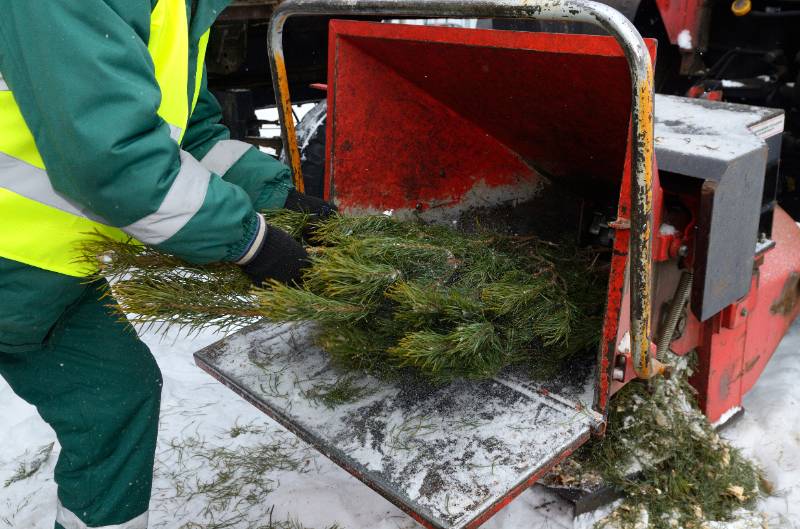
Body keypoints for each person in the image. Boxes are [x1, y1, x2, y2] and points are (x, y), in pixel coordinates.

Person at [0, 1, 334, 527]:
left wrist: (279, 199)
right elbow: (111, 161)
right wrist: (253, 243)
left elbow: (186, 131)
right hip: (11, 261)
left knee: (113, 397)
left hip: (41, 268)